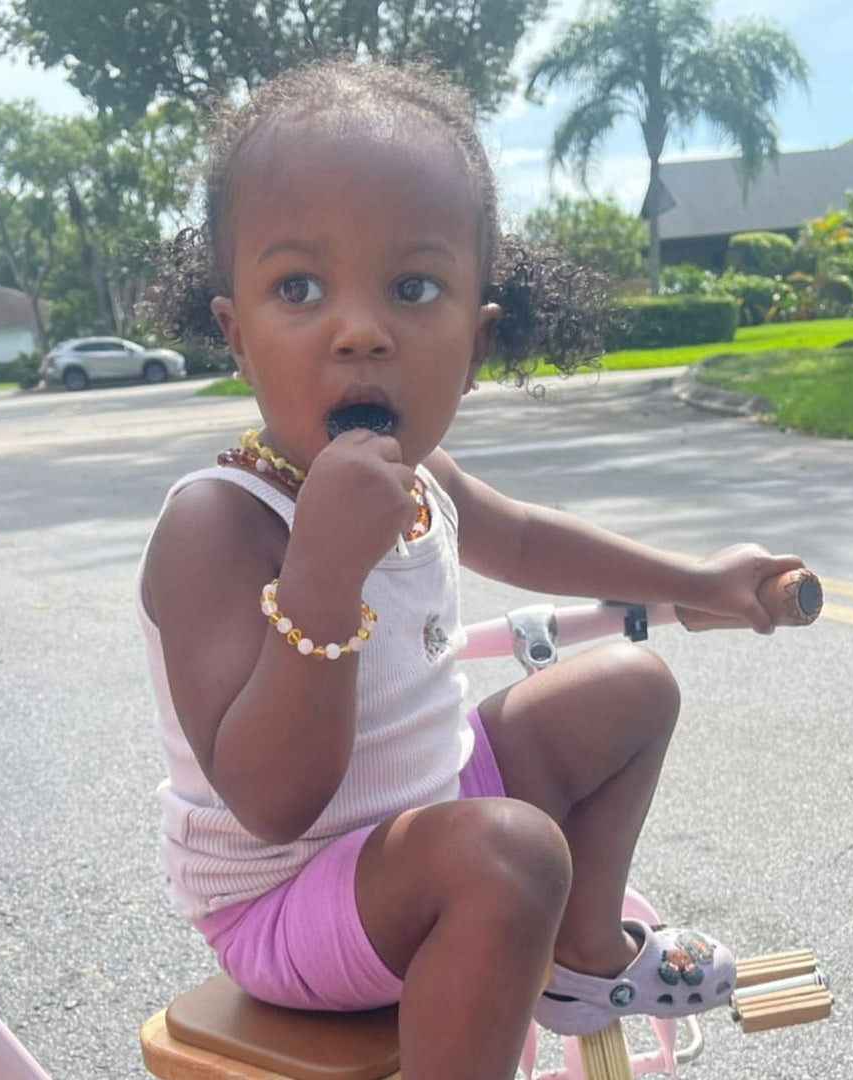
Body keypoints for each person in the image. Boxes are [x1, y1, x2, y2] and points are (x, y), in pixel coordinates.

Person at [138, 57, 804, 1080]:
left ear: (474, 337)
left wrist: (702, 582)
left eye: (413, 287)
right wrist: (323, 572)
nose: (360, 331)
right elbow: (274, 802)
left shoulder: (424, 473)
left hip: (431, 818)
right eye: (299, 287)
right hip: (289, 894)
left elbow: (528, 541)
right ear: (237, 333)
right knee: (510, 851)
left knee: (630, 688)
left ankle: (582, 956)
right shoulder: (219, 524)